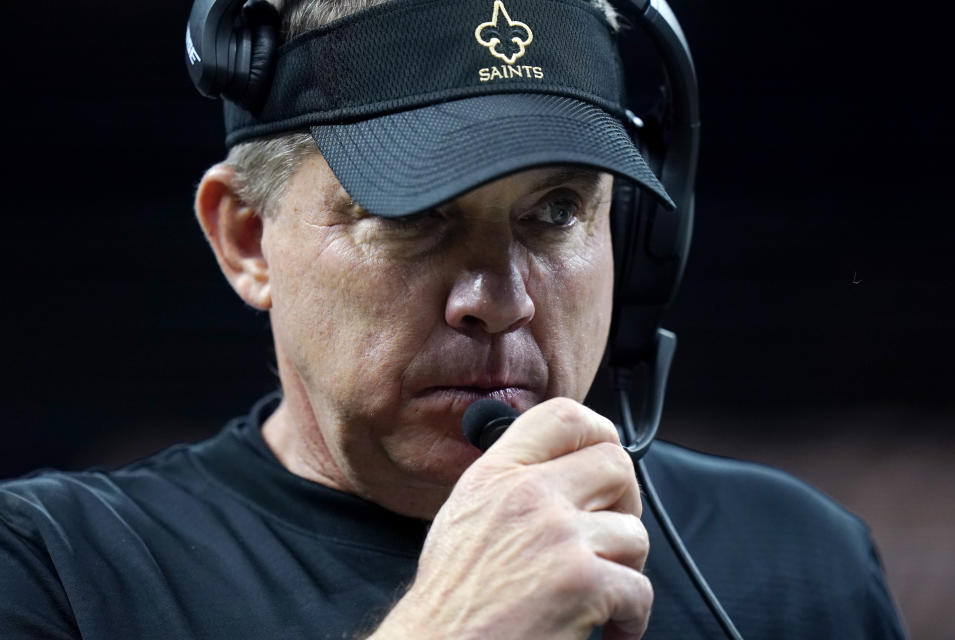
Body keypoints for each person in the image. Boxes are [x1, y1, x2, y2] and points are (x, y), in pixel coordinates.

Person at [1, 0, 906, 638]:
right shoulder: (55, 573)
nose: (500, 300)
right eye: (412, 216)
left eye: (554, 212)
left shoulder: (802, 562)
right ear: (246, 239)